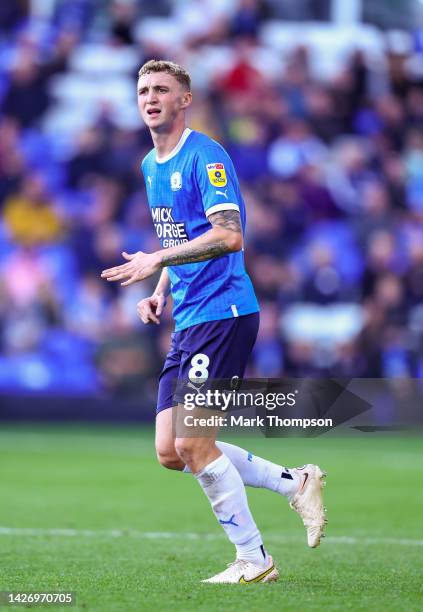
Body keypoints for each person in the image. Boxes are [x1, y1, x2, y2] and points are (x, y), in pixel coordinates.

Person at [101, 59, 327, 584]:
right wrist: (160, 288)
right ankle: (295, 483)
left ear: (185, 100)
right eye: (143, 90)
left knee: (194, 443)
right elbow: (183, 235)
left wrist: (156, 261)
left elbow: (229, 235)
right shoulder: (149, 165)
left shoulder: (207, 156)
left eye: (162, 89)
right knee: (169, 451)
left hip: (223, 314)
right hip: (189, 317)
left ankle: (254, 560)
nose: (150, 97)